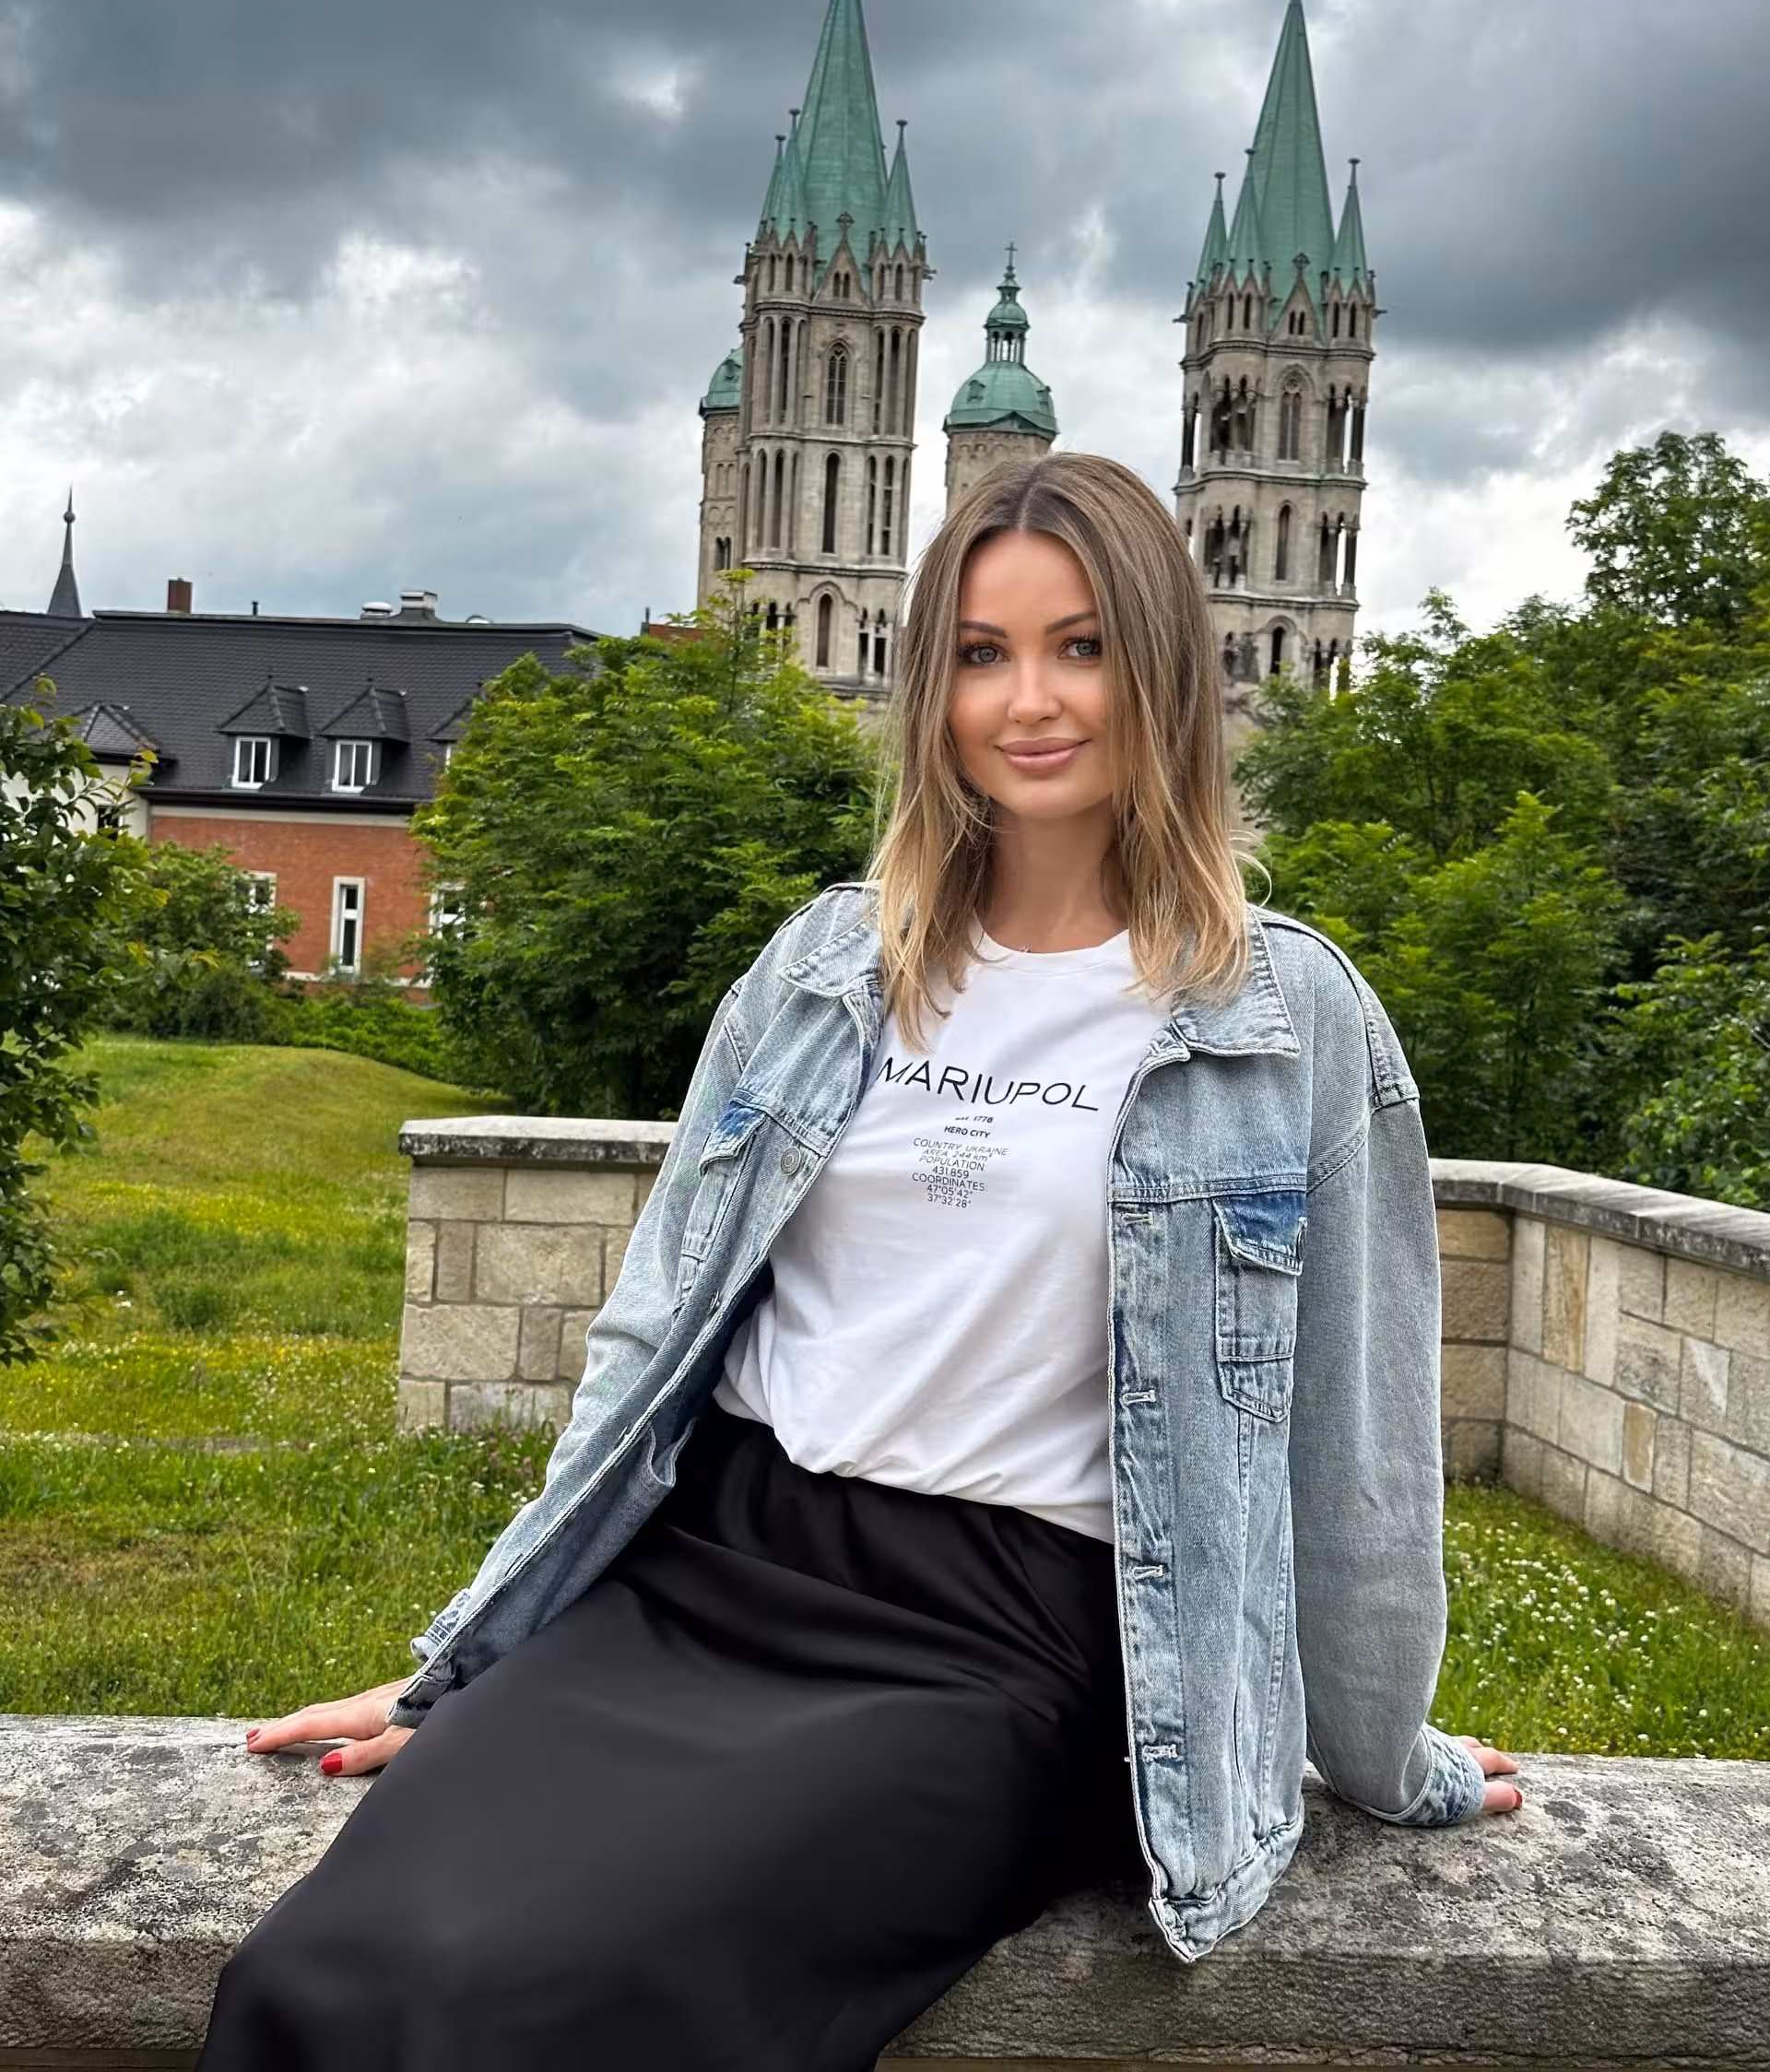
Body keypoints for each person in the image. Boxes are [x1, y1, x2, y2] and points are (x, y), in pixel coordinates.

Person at [198, 453, 1521, 2071]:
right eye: (979, 653)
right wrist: (465, 1662)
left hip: (1008, 1647)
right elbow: (651, 1334)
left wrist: (1387, 1759)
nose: (1028, 700)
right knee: (323, 1969)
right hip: (707, 1569)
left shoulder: (1288, 1019)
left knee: (546, 1999)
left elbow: (1360, 1447)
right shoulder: (827, 966)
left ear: (1165, 669)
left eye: (1082, 647)